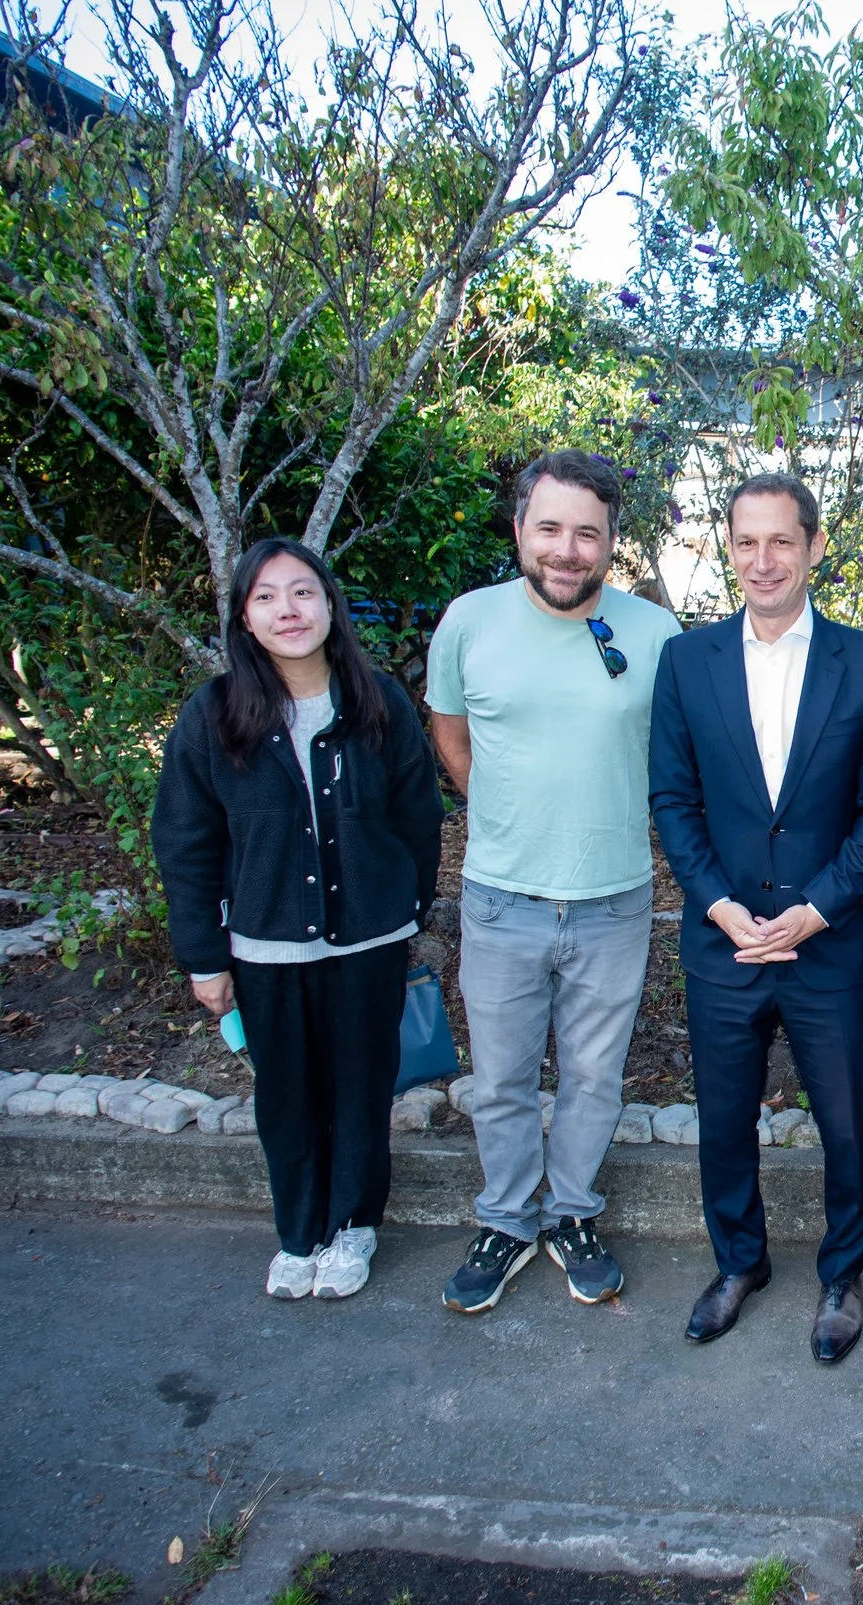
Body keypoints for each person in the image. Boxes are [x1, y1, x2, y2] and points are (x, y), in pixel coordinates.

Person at [648, 472, 863, 1364]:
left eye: (781, 542)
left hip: (825, 944)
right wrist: (719, 906)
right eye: (746, 542)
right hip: (722, 943)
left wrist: (814, 909)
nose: (763, 561)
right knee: (724, 1122)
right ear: (729, 548)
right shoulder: (686, 661)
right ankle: (739, 1264)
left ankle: (842, 1275)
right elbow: (672, 800)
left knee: (848, 1125)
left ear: (814, 546)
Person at [425, 450, 682, 1312]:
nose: (567, 550)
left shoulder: (652, 634)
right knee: (498, 1079)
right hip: (501, 898)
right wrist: (507, 820)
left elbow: (672, 763)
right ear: (520, 531)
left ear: (611, 542)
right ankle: (506, 1219)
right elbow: (453, 737)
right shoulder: (468, 621)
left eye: (587, 532)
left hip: (616, 900)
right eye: (550, 529)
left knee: (593, 1078)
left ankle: (571, 1212)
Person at [154, 537, 442, 1301]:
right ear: (245, 618)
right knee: (285, 1094)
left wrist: (406, 903)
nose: (288, 609)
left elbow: (419, 814)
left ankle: (354, 1225)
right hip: (266, 946)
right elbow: (185, 841)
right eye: (267, 597)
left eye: (303, 592)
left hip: (369, 943)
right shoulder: (215, 716)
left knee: (360, 1088)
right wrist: (204, 955)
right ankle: (299, 1232)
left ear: (329, 605)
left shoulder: (374, 701)